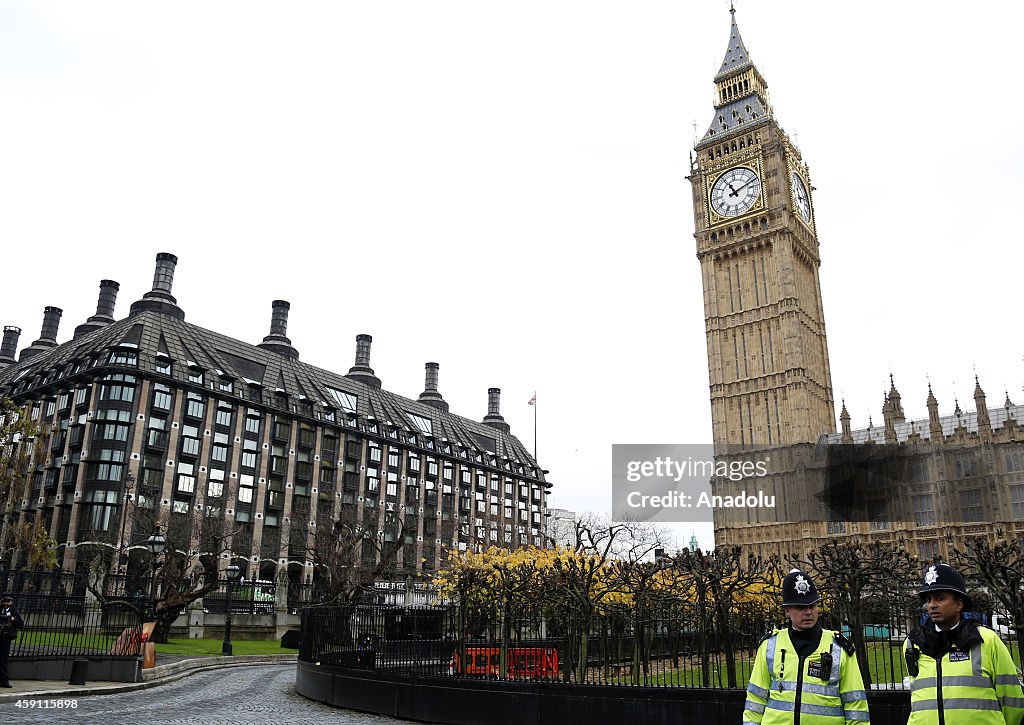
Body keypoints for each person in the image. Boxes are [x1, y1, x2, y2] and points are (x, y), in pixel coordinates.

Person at [743, 569, 870, 723]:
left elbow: (856, 704)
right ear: (787, 611)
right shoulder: (770, 644)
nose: (808, 612)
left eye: (812, 606)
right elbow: (755, 700)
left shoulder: (839, 647)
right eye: (801, 607)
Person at [904, 563, 1024, 725]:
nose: (931, 605)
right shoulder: (913, 643)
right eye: (928, 599)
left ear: (959, 604)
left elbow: (1012, 701)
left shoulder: (986, 640)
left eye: (940, 598)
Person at [0, 593, 24, 688]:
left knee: (3, 659)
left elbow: (20, 625)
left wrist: (13, 619)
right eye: (4, 601)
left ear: (11, 602)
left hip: (6, 638)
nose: (6, 603)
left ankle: (4, 680)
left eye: (8, 601)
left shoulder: (14, 611)